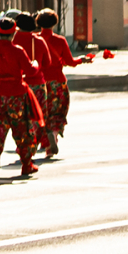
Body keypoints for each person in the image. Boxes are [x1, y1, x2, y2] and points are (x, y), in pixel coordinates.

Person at [0, 14, 41, 179]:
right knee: (22, 130)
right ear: (13, 33)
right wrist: (35, 64)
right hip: (17, 95)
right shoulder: (18, 51)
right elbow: (31, 71)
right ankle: (27, 165)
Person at [35, 8, 81, 156]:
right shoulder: (60, 40)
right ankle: (53, 136)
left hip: (41, 83)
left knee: (42, 113)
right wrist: (82, 59)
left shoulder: (34, 40)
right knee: (58, 112)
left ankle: (44, 140)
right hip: (58, 82)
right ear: (54, 23)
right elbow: (70, 62)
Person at [12, 10, 53, 150]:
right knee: (40, 113)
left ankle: (28, 142)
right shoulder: (39, 41)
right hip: (38, 83)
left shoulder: (13, 40)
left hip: (20, 85)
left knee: (23, 117)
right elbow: (47, 63)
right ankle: (45, 140)